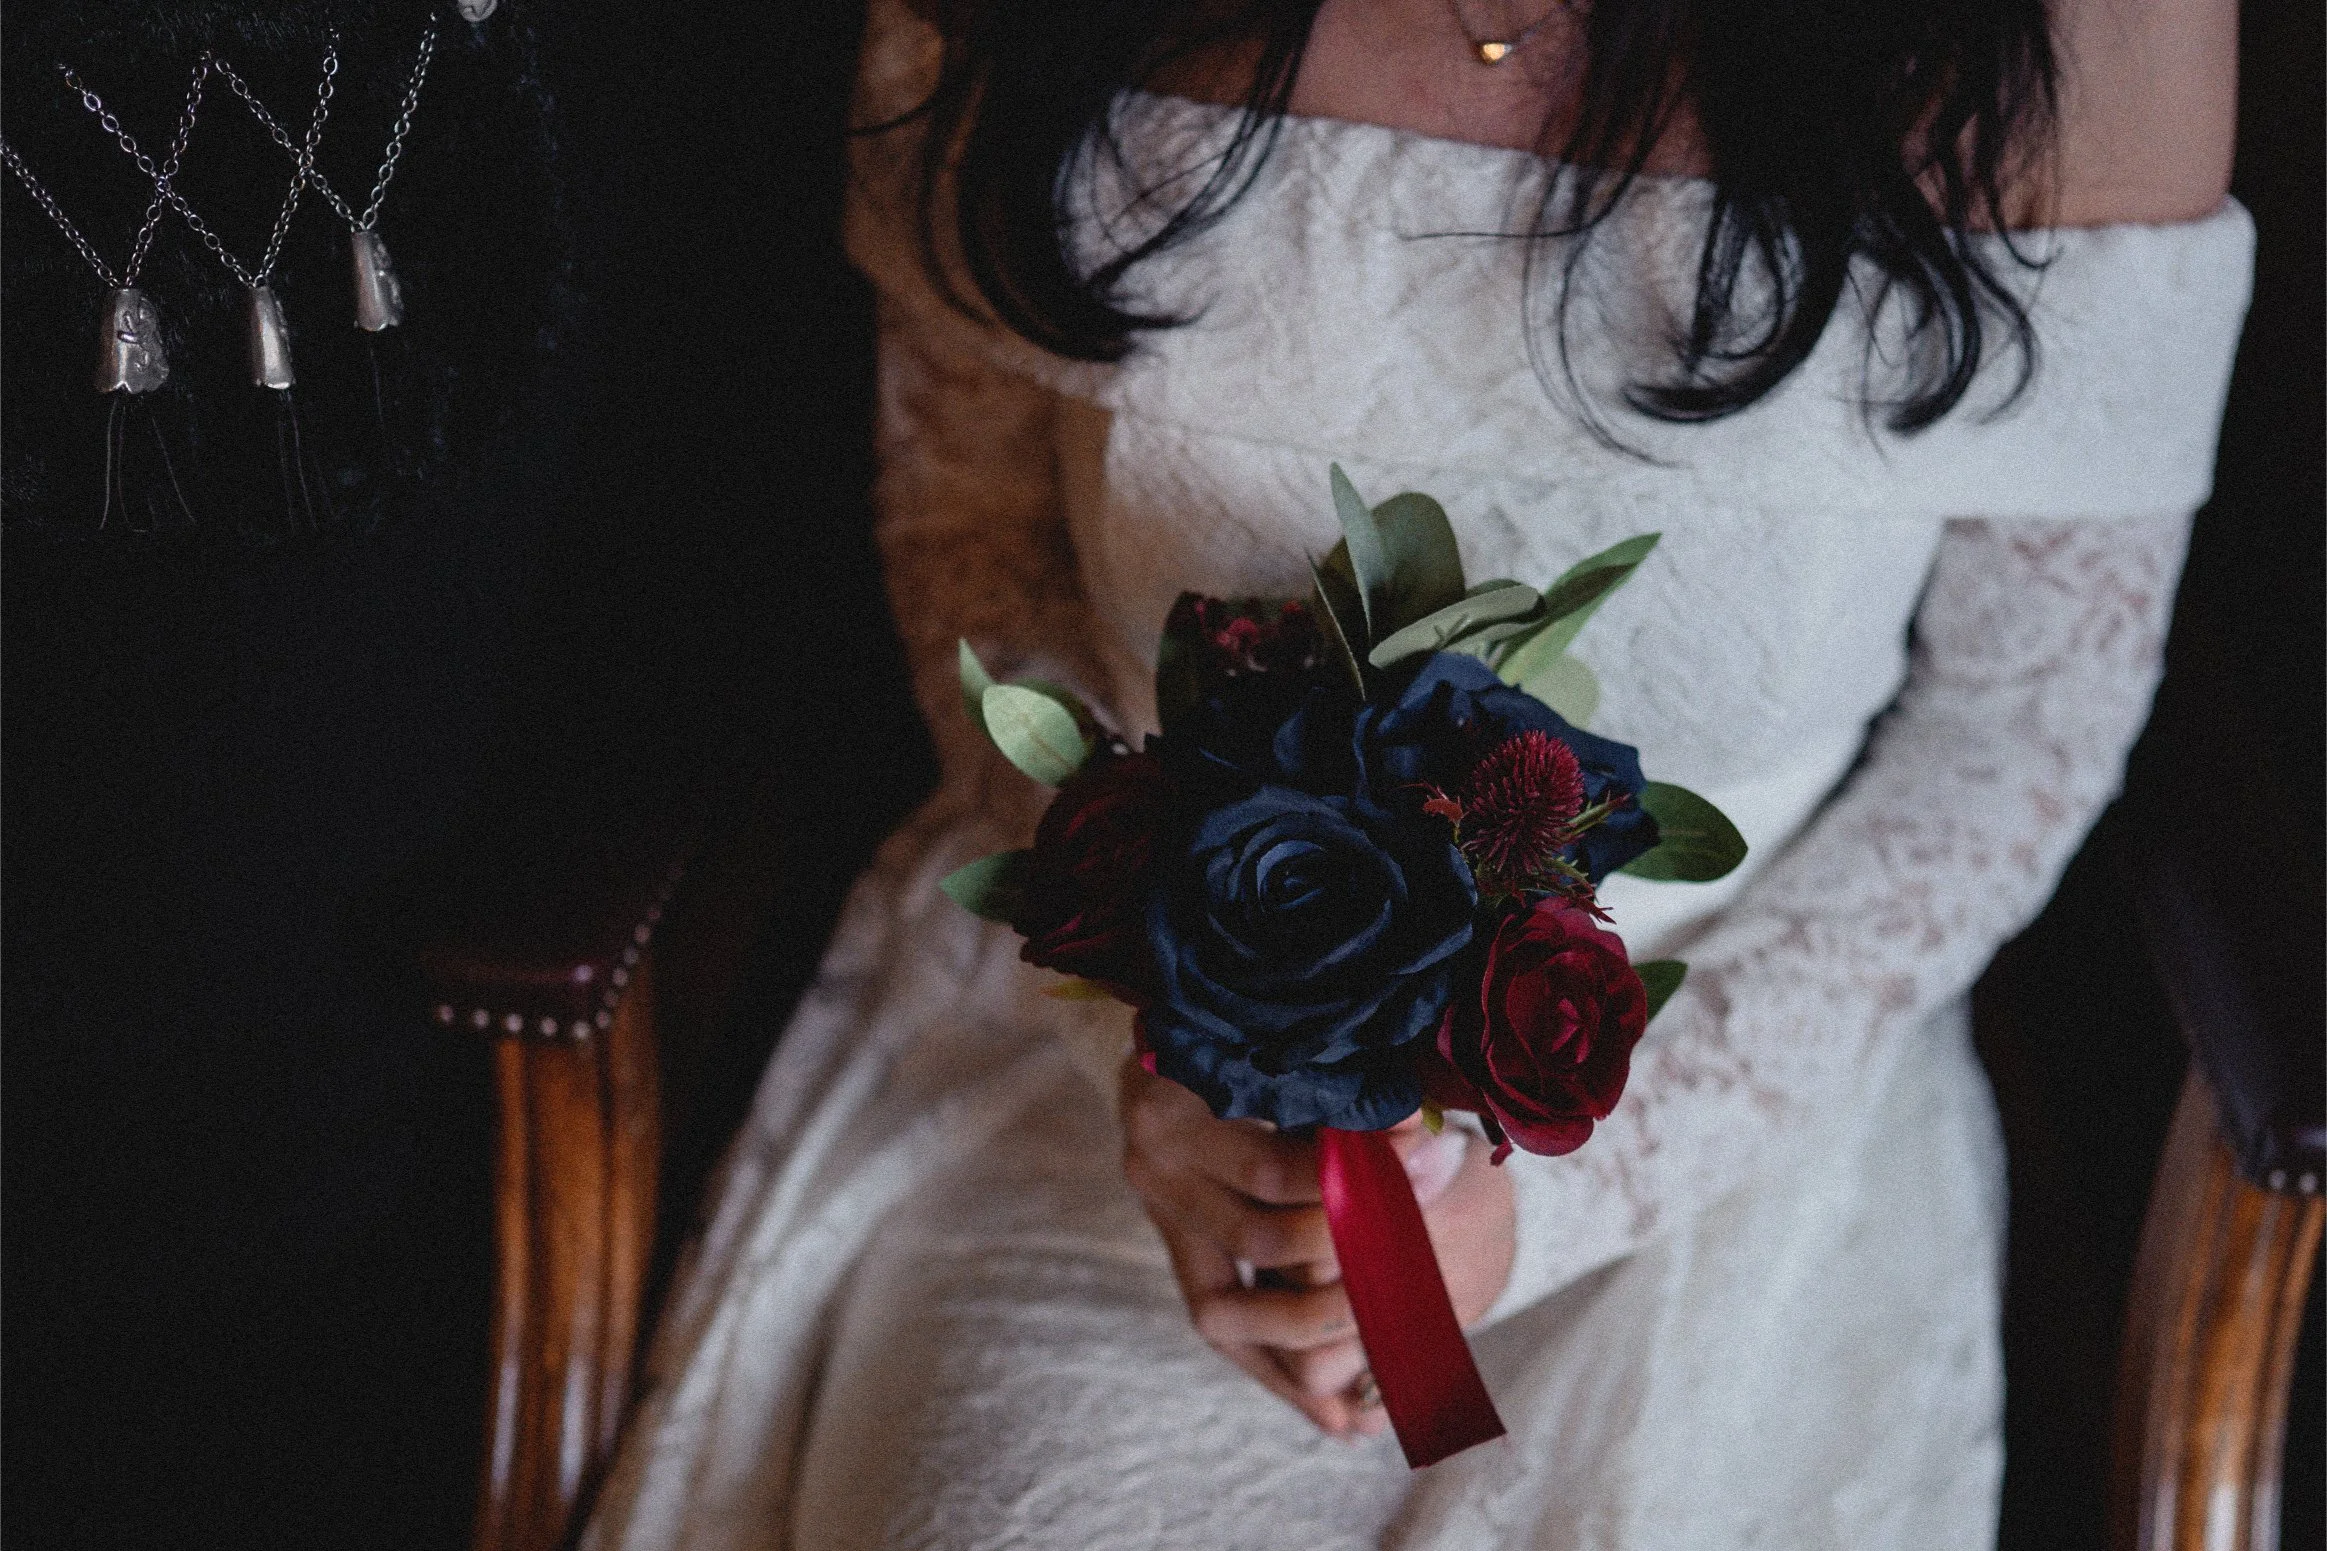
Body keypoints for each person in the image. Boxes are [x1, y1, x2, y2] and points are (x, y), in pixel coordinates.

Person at [586, 0, 2247, 1544]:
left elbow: (2024, 719)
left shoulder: (2090, 36)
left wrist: (1577, 1185)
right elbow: (973, 539)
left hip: (1740, 1104)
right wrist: (1165, 1031)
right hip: (1115, 1096)